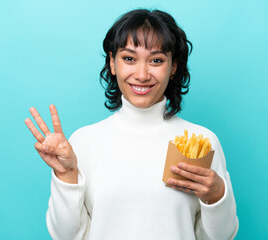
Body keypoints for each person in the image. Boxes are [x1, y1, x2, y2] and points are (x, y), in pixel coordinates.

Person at [25, 9, 238, 240]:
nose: (142, 74)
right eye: (129, 58)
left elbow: (220, 237)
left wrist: (217, 196)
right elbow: (66, 236)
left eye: (156, 60)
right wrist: (66, 174)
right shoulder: (82, 143)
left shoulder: (201, 142)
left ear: (174, 66)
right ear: (112, 63)